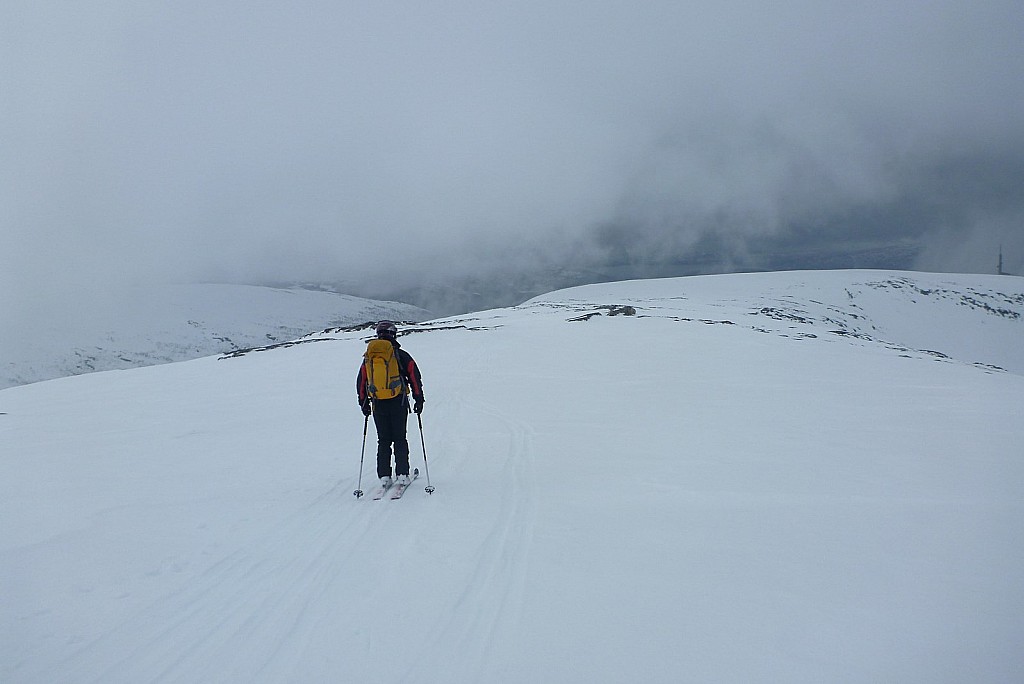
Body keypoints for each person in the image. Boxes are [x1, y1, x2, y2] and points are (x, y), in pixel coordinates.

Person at [356, 320, 424, 487]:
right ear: (393, 334)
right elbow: (414, 376)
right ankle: (402, 474)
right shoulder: (401, 355)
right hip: (398, 402)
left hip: (378, 403)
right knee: (400, 438)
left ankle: (384, 476)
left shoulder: (369, 357)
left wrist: (363, 403)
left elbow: (361, 381)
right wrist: (418, 398)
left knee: (384, 440)